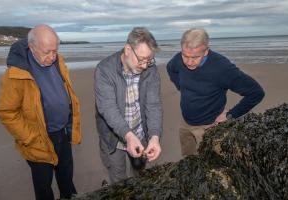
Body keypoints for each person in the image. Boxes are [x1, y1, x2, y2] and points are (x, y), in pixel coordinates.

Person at [0, 24, 81, 200]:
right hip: (38, 139)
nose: (52, 56)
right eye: (47, 52)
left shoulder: (59, 61)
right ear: (32, 47)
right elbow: (6, 112)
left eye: (54, 51)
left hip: (63, 134)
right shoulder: (16, 74)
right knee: (43, 187)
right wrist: (30, 138)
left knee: (67, 180)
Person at [167, 28, 265, 156]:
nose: (189, 62)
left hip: (209, 127)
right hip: (185, 124)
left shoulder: (222, 68)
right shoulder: (178, 59)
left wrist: (230, 115)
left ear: (206, 51)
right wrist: (182, 87)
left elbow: (256, 92)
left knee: (210, 165)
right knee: (188, 160)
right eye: (185, 56)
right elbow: (171, 68)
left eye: (195, 57)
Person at [94, 27, 163, 184]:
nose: (145, 65)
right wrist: (128, 136)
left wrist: (154, 136)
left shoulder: (150, 70)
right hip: (114, 139)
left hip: (140, 133)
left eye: (149, 60)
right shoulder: (104, 70)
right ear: (127, 49)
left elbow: (153, 105)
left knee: (140, 178)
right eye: (141, 59)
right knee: (118, 181)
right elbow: (108, 108)